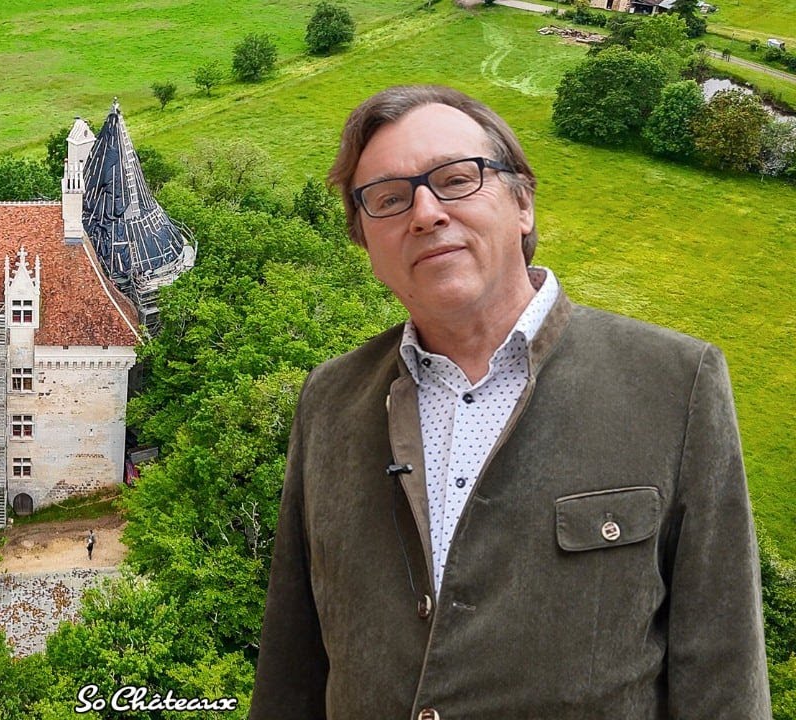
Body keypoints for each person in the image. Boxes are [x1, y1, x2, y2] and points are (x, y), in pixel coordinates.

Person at [249, 85, 769, 720]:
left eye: (456, 179)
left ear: (521, 201)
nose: (425, 212)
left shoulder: (675, 383)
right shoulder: (330, 399)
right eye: (387, 199)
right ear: (365, 242)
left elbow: (723, 669)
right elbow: (291, 664)